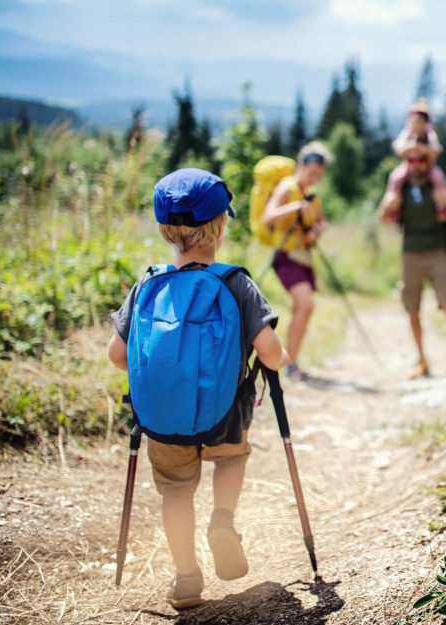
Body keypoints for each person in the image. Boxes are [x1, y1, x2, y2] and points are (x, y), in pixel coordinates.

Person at [107, 168, 289, 608]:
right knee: (230, 461)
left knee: (175, 491)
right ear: (221, 226)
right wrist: (276, 360)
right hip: (225, 413)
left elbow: (117, 355)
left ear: (165, 229)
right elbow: (272, 353)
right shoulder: (235, 282)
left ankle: (187, 577)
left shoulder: (148, 283)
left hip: (163, 419)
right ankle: (223, 520)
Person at [379, 144, 446, 378]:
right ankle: (422, 360)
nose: (416, 164)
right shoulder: (401, 187)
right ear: (405, 163)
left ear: (428, 162)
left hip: (437, 252)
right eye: (411, 160)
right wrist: (387, 207)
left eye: (421, 160)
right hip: (410, 254)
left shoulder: (438, 184)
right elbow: (385, 220)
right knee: (412, 309)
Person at [263, 141, 332, 381]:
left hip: (304, 257)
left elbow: (323, 221)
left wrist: (317, 231)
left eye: (319, 175)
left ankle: (292, 362)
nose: (314, 178)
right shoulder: (287, 187)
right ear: (301, 165)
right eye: (311, 172)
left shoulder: (311, 194)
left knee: (299, 309)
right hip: (285, 256)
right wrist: (294, 207)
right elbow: (268, 217)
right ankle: (288, 362)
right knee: (306, 305)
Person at [386, 98, 446, 218]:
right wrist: (410, 148)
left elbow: (436, 150)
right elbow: (397, 148)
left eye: (421, 122)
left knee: (439, 178)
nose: (418, 126)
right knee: (395, 178)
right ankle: (394, 206)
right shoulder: (406, 134)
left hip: (428, 167)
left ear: (426, 122)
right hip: (408, 167)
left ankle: (441, 206)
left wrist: (423, 149)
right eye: (415, 122)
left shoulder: (430, 134)